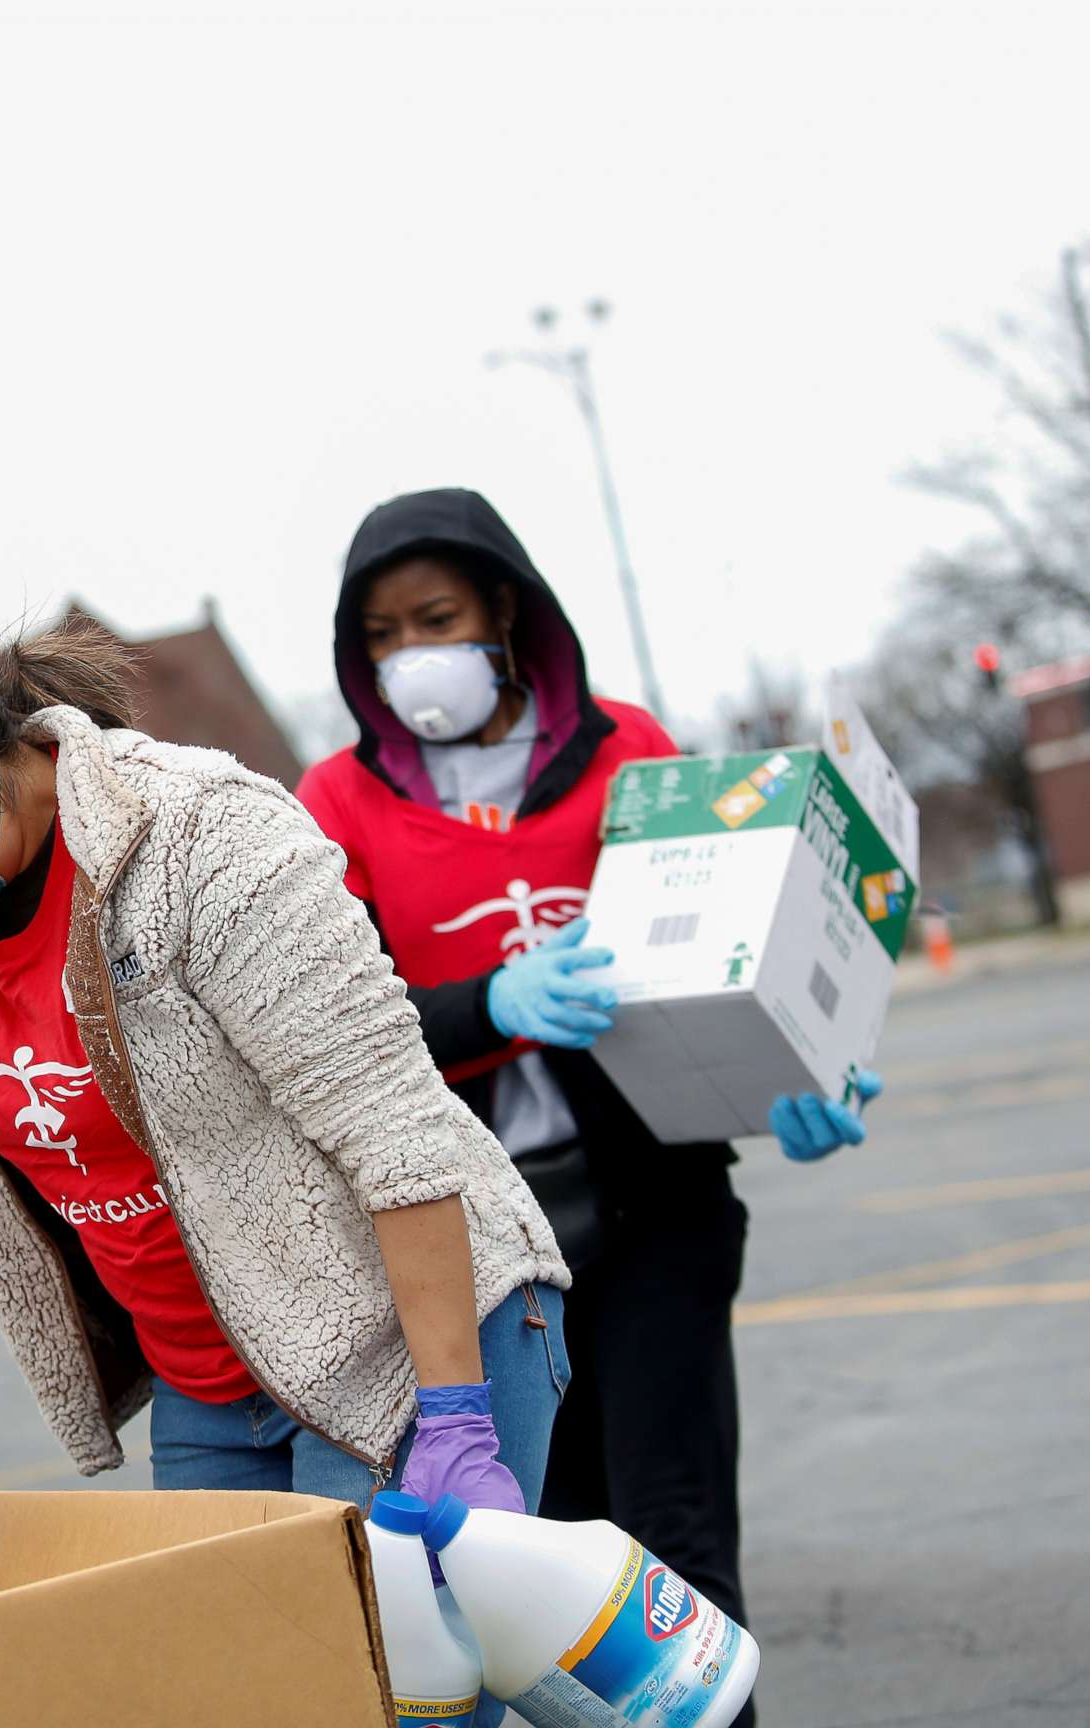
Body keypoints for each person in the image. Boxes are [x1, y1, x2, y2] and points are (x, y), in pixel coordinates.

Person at [0, 619, 573, 1518]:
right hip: (207, 1387)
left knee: (425, 1651)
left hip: (407, 1348)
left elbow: (395, 1129)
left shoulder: (203, 840)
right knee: (246, 1660)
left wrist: (457, 1416)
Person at [296, 488, 881, 1726]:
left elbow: (725, 949)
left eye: (437, 617)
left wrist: (796, 1075)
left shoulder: (626, 752)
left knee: (676, 1560)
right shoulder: (336, 806)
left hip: (655, 1210)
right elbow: (332, 1022)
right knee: (544, 1587)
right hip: (481, 1253)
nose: (413, 655)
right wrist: (488, 1000)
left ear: (505, 609)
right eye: (383, 635)